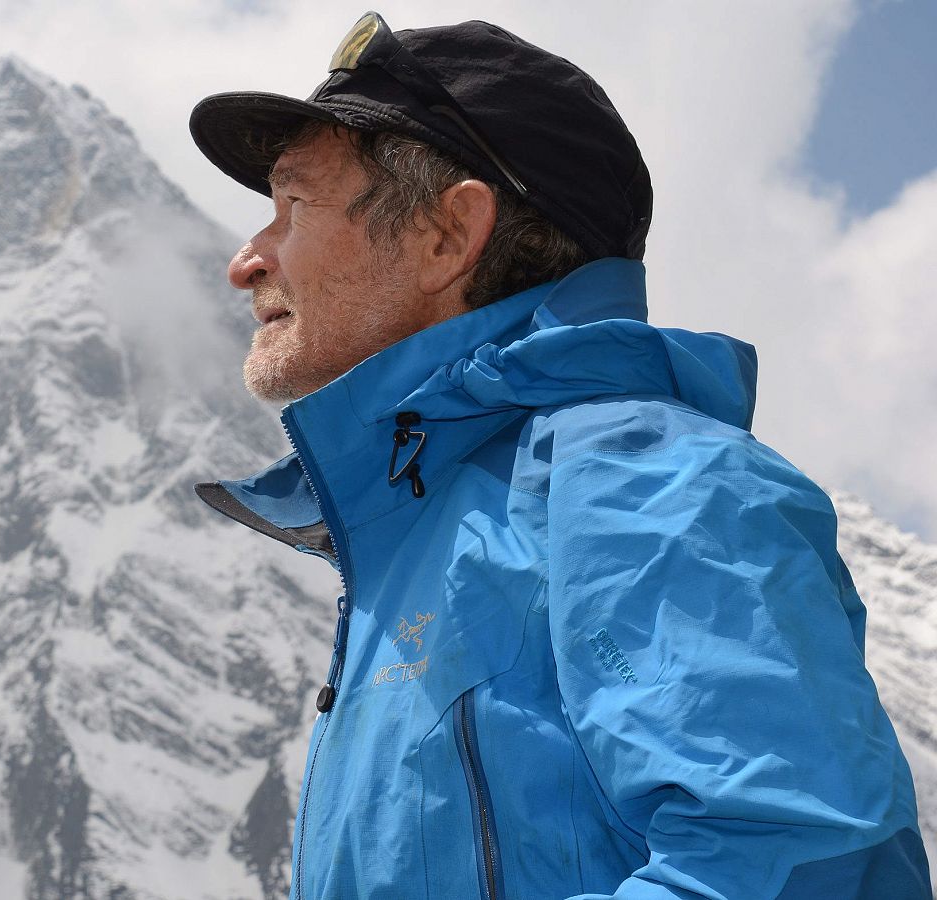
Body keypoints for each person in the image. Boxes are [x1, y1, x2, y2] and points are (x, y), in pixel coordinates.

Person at [188, 12, 931, 900]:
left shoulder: (645, 483)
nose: (247, 259)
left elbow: (801, 868)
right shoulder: (438, 526)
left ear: (446, 238)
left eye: (294, 205)